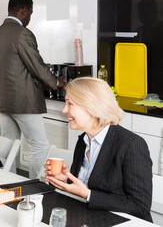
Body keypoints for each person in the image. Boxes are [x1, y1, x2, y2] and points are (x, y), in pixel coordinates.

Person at [44, 77, 153, 222]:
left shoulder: (132, 144)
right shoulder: (83, 140)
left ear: (92, 106)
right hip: (92, 218)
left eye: (70, 104)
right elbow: (85, 186)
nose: (64, 110)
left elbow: (140, 207)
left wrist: (88, 194)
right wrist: (65, 181)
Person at [0, 0, 65, 178]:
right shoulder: (23, 33)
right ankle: (35, 187)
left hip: (4, 100)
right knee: (38, 145)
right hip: (24, 101)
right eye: (30, 13)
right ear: (23, 10)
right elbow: (36, 66)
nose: (30, 18)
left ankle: (8, 183)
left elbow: (15, 68)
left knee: (9, 143)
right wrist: (56, 82)